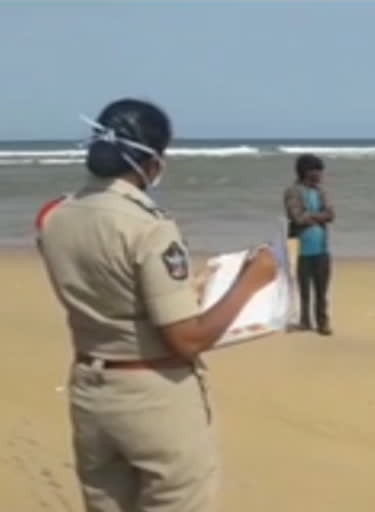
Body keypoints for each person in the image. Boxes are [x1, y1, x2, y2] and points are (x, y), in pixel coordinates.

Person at [35, 98, 277, 512]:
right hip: (153, 394)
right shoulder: (148, 227)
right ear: (151, 161)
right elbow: (186, 340)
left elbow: (107, 294)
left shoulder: (56, 217)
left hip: (92, 390)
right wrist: (251, 283)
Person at [283, 153, 335, 335]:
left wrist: (311, 216)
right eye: (317, 171)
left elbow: (331, 214)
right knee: (302, 289)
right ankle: (304, 321)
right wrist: (318, 217)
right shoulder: (293, 191)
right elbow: (296, 217)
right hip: (300, 248)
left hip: (321, 248)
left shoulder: (321, 192)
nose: (320, 175)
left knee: (322, 289)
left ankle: (323, 322)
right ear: (306, 172)